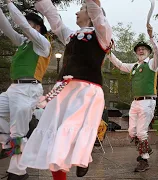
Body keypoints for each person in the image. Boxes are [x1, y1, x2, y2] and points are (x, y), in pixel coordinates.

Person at [19, 0, 112, 179]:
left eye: (82, 9)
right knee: (52, 135)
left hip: (86, 90)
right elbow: (55, 21)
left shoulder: (102, 33)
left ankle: (83, 156)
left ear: (91, 15)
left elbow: (97, 13)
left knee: (65, 131)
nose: (77, 12)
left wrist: (92, 3)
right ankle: (78, 160)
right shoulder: (71, 35)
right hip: (63, 90)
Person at [0, 0, 51, 178]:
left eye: (29, 24)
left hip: (29, 89)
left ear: (37, 28)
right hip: (14, 88)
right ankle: (8, 143)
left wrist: (9, 3)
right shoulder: (23, 43)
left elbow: (22, 25)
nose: (25, 26)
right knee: (14, 132)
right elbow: (6, 28)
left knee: (19, 132)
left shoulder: (42, 44)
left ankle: (18, 172)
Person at [107, 24, 158, 172]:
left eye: (143, 48)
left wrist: (152, 37)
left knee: (141, 132)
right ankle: (145, 151)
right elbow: (119, 65)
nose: (141, 50)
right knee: (132, 132)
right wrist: (109, 53)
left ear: (149, 52)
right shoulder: (135, 67)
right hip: (135, 102)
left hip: (148, 101)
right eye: (138, 49)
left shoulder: (152, 64)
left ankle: (144, 159)